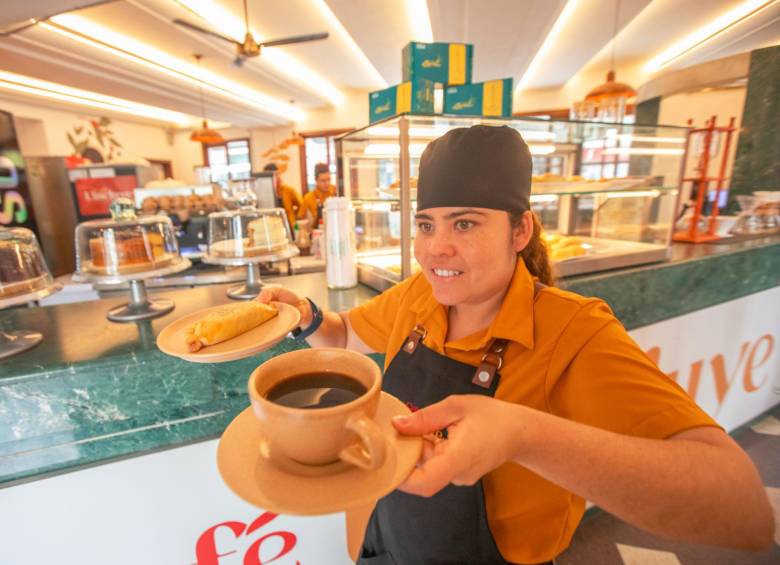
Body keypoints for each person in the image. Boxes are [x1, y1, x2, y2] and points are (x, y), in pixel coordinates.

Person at [258, 126, 774, 564]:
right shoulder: (420, 293)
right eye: (425, 224)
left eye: (465, 223)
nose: (437, 247)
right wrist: (307, 316)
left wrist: (523, 435)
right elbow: (347, 333)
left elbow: (740, 509)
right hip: (381, 540)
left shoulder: (573, 332)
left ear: (521, 229)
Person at [264, 162, 302, 230]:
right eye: (270, 177)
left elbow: (302, 205)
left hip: (292, 225)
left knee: (296, 237)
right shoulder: (265, 194)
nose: (276, 178)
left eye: (277, 175)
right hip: (273, 228)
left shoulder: (288, 190)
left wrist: (295, 216)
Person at [301, 162, 337, 226]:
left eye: (329, 179)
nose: (327, 183)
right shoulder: (308, 198)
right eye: (323, 181)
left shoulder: (336, 191)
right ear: (316, 180)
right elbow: (301, 221)